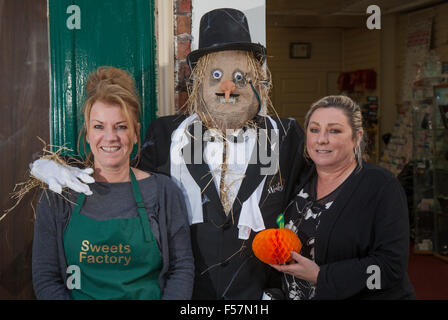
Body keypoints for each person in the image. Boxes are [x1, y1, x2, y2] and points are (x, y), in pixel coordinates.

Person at [29, 8, 309, 299]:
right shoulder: (167, 135)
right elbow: (113, 165)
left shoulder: (284, 136)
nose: (228, 88)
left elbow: (315, 198)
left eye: (239, 76)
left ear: (255, 77)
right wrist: (44, 164)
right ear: (200, 78)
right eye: (216, 75)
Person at [32, 66, 194, 300]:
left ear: (136, 133)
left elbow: (182, 269)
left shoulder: (163, 192)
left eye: (121, 126)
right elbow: (46, 278)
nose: (110, 137)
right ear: (87, 133)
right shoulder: (60, 194)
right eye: (99, 126)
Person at [270, 95, 416, 299]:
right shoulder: (300, 178)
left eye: (334, 130)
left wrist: (321, 276)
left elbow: (390, 268)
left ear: (357, 137)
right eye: (314, 130)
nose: (321, 139)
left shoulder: (381, 186)